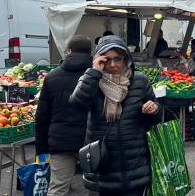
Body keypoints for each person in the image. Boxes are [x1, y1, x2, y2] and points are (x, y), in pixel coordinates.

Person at [69, 35, 163, 195]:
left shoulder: (139, 81)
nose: (113, 64)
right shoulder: (92, 80)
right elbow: (77, 105)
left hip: (134, 165)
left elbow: (156, 118)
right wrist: (94, 72)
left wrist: (154, 109)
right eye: (107, 59)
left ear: (126, 59)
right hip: (103, 166)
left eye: (118, 59)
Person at [35, 35, 92, 196]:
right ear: (90, 52)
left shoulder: (52, 77)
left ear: (69, 51)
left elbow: (42, 116)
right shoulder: (97, 76)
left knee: (58, 188)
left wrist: (41, 149)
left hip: (61, 141)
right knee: (94, 186)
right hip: (91, 140)